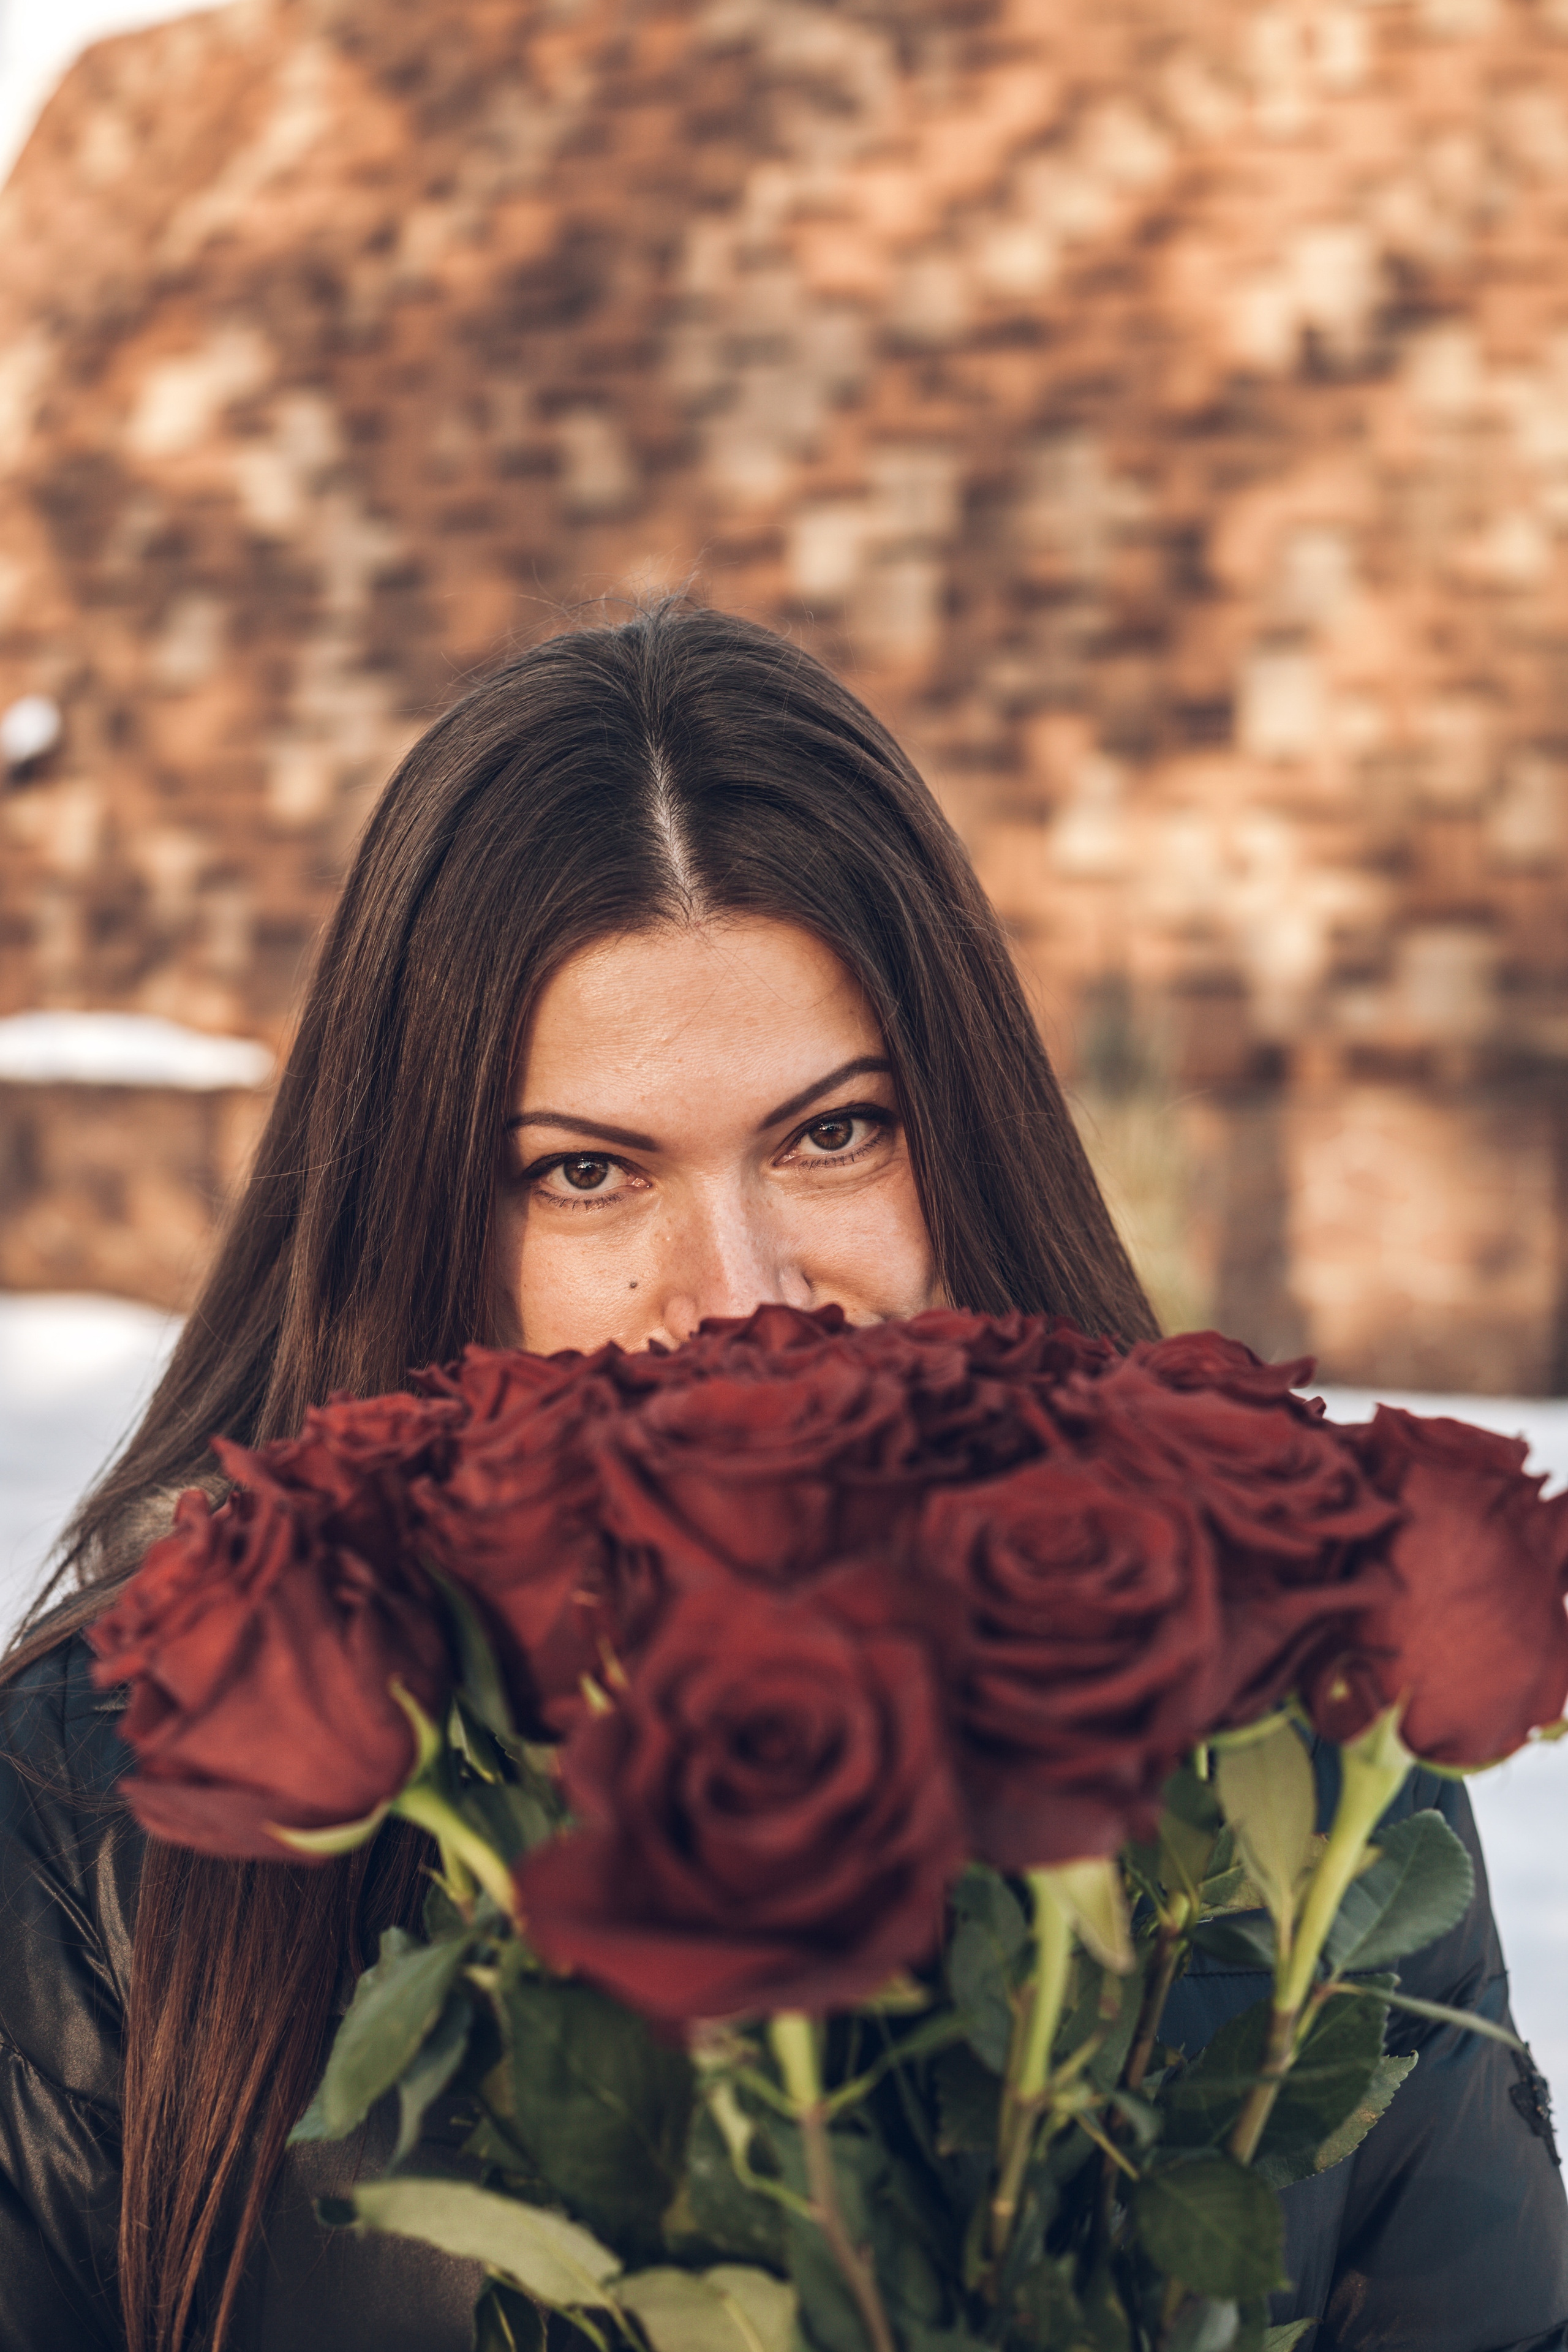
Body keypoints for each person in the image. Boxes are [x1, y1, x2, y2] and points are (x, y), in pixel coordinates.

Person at [0, 602, 1561, 2352]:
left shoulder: (1269, 1740)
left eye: (833, 1134)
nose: (733, 1294)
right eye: (589, 1174)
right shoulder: (92, 1818)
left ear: (957, 1133)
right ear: (425, 1215)